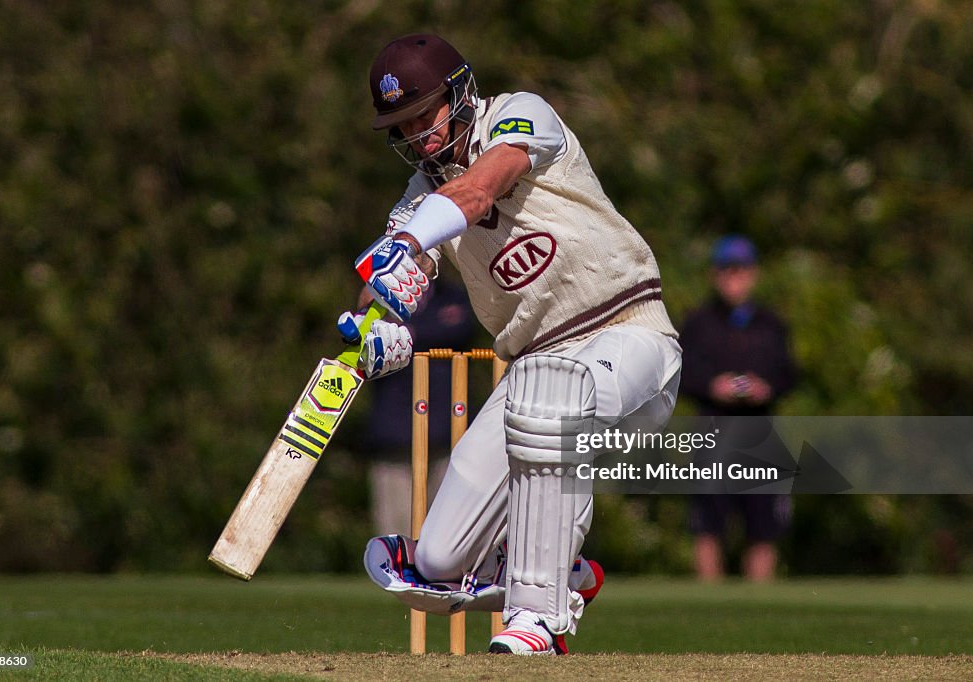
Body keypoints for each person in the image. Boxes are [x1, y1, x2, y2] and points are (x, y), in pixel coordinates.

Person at [339, 33, 682, 655]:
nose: (419, 136)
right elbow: (382, 285)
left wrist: (411, 244)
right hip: (535, 368)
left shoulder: (520, 115)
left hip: (630, 338)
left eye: (426, 115)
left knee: (549, 404)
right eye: (403, 125)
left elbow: (477, 191)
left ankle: (538, 620)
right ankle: (556, 569)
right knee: (437, 562)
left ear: (461, 92)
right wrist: (380, 325)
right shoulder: (418, 204)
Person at [678, 235, 796, 582]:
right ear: (716, 275)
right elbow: (680, 375)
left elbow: (789, 374)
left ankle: (760, 610)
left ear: (753, 274)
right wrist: (713, 386)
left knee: (763, 527)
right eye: (727, 270)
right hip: (712, 432)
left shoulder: (771, 325)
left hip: (759, 434)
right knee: (707, 524)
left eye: (741, 270)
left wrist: (766, 388)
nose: (734, 278)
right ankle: (709, 607)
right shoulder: (699, 324)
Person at [363, 278, 475, 536]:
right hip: (394, 434)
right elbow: (365, 338)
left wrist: (406, 333)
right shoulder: (379, 299)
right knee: (395, 531)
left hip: (446, 432)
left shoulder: (453, 296)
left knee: (447, 530)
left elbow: (460, 329)